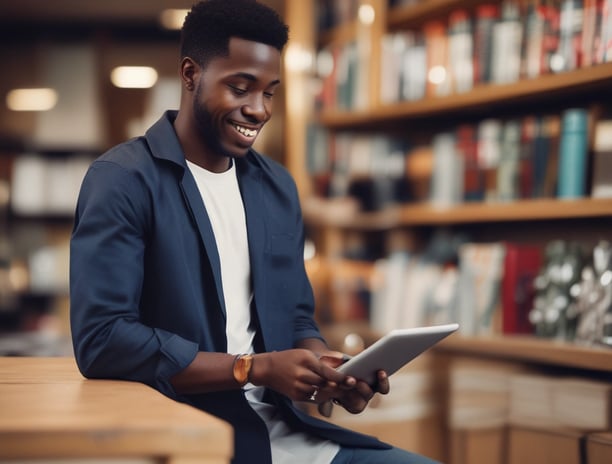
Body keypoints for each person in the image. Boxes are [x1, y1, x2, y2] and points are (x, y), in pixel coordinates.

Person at [70, 1, 439, 463]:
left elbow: (298, 320)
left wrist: (330, 374)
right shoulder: (123, 180)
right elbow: (103, 340)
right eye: (241, 88)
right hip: (186, 437)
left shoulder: (276, 187)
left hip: (287, 431)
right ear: (190, 75)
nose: (259, 110)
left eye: (270, 92)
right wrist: (252, 369)